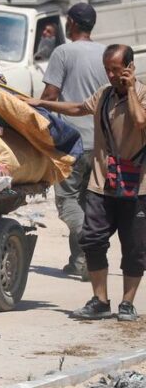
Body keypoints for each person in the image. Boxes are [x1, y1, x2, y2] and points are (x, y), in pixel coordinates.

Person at [24, 45, 145, 322]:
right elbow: (79, 107)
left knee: (134, 248)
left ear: (129, 66)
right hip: (103, 183)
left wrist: (130, 90)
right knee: (92, 240)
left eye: (117, 69)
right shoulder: (104, 95)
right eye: (108, 70)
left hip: (137, 186)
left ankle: (127, 302)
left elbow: (140, 122)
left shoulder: (143, 94)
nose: (112, 75)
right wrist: (43, 104)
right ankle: (100, 300)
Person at [38, 3, 109, 282]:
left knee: (67, 201)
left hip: (71, 142)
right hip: (102, 142)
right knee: (88, 203)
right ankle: (79, 262)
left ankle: (91, 248)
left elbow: (50, 96)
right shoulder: (106, 53)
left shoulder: (63, 52)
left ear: (73, 25)